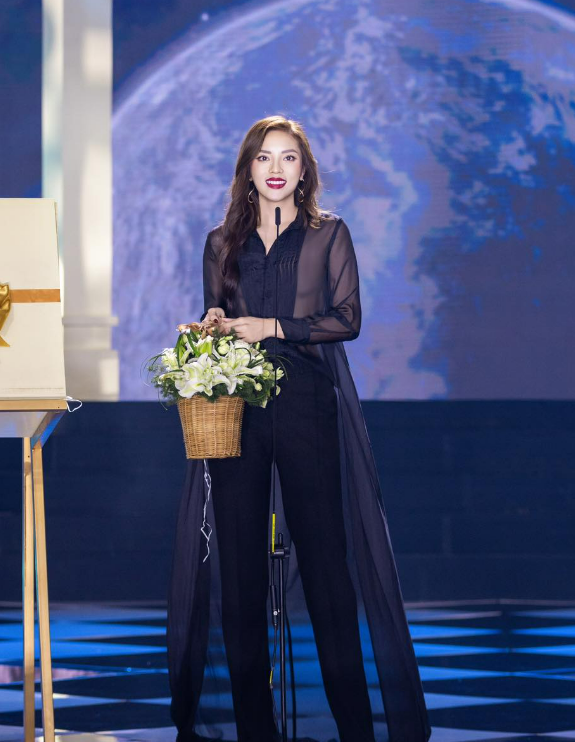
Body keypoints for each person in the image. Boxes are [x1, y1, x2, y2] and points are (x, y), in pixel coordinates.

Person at [168, 115, 432, 742]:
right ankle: (253, 730)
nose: (276, 168)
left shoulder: (328, 234)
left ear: (304, 170)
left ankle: (353, 728)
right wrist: (211, 326)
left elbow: (347, 318)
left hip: (309, 405)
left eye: (289, 157)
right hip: (237, 411)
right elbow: (218, 316)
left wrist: (274, 327)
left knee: (325, 566)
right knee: (239, 570)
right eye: (264, 157)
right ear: (248, 170)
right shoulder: (220, 242)